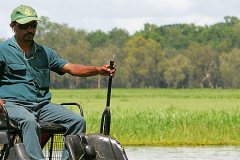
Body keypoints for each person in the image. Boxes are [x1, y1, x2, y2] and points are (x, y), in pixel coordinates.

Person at [0, 5, 116, 160]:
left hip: (42, 106)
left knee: (77, 121)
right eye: (24, 26)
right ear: (13, 26)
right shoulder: (3, 50)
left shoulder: (45, 53)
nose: (29, 29)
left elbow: (71, 68)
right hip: (12, 105)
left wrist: (98, 70)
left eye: (33, 25)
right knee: (29, 121)